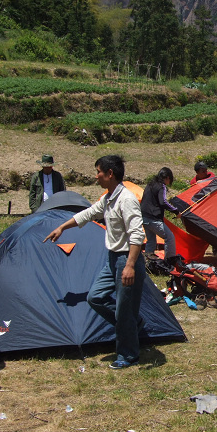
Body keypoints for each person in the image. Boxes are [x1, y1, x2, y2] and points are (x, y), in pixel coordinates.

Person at [44, 155, 146, 369]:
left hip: (127, 259)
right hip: (113, 259)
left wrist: (129, 266)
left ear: (110, 174)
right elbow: (88, 214)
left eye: (98, 171)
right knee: (95, 297)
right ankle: (133, 324)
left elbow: (137, 235)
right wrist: (62, 227)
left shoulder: (126, 199)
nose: (96, 176)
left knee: (124, 311)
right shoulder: (108, 198)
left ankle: (128, 355)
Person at [141, 167, 180, 260]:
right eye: (169, 179)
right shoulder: (161, 186)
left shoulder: (150, 184)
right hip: (153, 218)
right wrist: (176, 211)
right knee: (169, 237)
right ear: (166, 178)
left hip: (143, 217)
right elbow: (163, 202)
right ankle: (170, 261)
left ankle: (148, 262)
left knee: (151, 241)